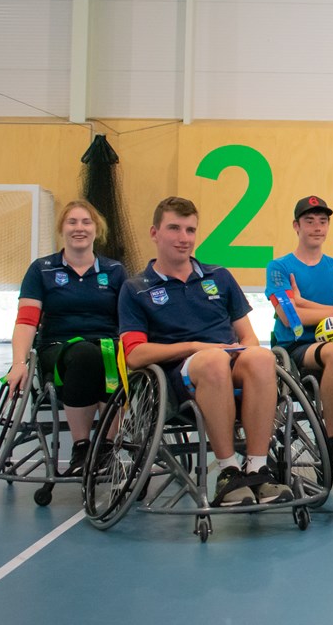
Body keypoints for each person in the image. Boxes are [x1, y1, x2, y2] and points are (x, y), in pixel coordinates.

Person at [118, 196, 293, 507]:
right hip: (177, 381)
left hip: (227, 363)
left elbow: (248, 336)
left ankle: (257, 469)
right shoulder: (136, 288)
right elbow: (135, 355)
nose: (184, 238)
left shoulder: (219, 277)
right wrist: (196, 347)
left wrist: (239, 351)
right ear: (155, 233)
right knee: (212, 360)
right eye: (174, 228)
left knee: (262, 357)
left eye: (190, 230)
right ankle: (228, 472)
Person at [5, 199, 126, 476]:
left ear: (97, 229)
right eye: (72, 222)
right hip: (58, 350)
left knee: (113, 356)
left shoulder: (114, 271)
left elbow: (128, 320)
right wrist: (19, 363)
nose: (79, 228)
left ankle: (106, 448)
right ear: (62, 228)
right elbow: (26, 321)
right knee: (85, 354)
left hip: (107, 347)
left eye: (86, 222)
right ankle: (81, 447)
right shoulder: (42, 270)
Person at [265, 196, 333, 462]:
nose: (317, 227)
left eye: (323, 221)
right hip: (296, 347)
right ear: (296, 226)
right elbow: (290, 318)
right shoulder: (279, 267)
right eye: (310, 221)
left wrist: (304, 303)